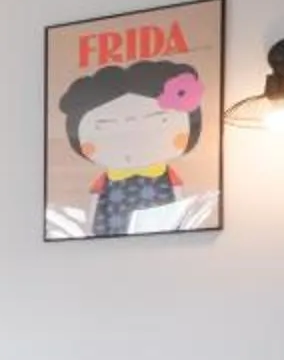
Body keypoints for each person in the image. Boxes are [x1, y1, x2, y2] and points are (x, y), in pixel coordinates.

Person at [57, 60, 205, 237]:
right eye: (105, 126)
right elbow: (95, 207)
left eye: (159, 121)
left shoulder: (169, 178)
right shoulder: (103, 183)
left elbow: (179, 201)